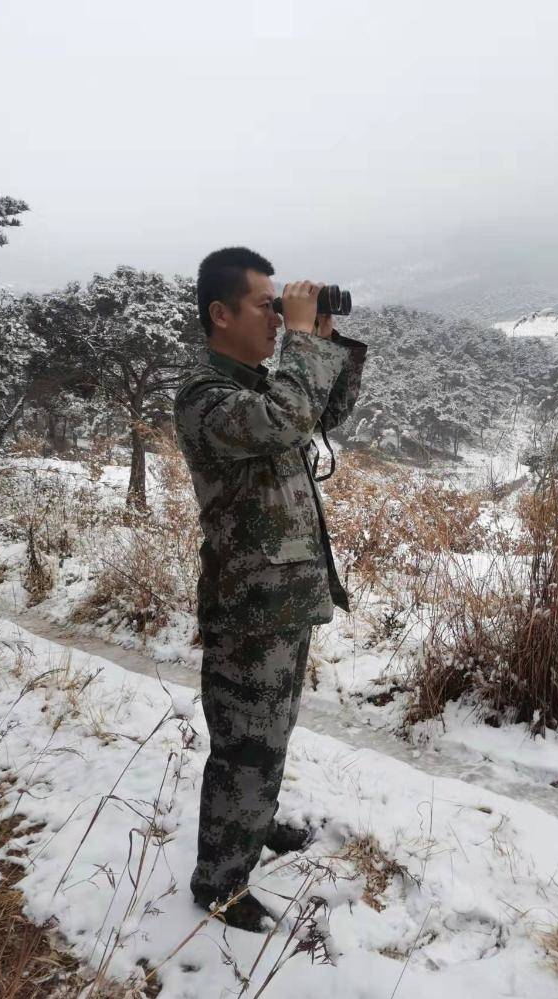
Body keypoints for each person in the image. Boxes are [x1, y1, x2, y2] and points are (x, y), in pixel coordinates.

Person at [173, 247, 367, 932]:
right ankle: (220, 883)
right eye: (267, 305)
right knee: (243, 749)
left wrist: (321, 339)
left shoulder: (262, 384)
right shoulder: (207, 398)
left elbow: (324, 412)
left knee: (271, 735)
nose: (276, 318)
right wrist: (300, 343)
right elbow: (287, 419)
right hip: (248, 610)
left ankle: (251, 828)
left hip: (281, 600)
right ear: (219, 314)